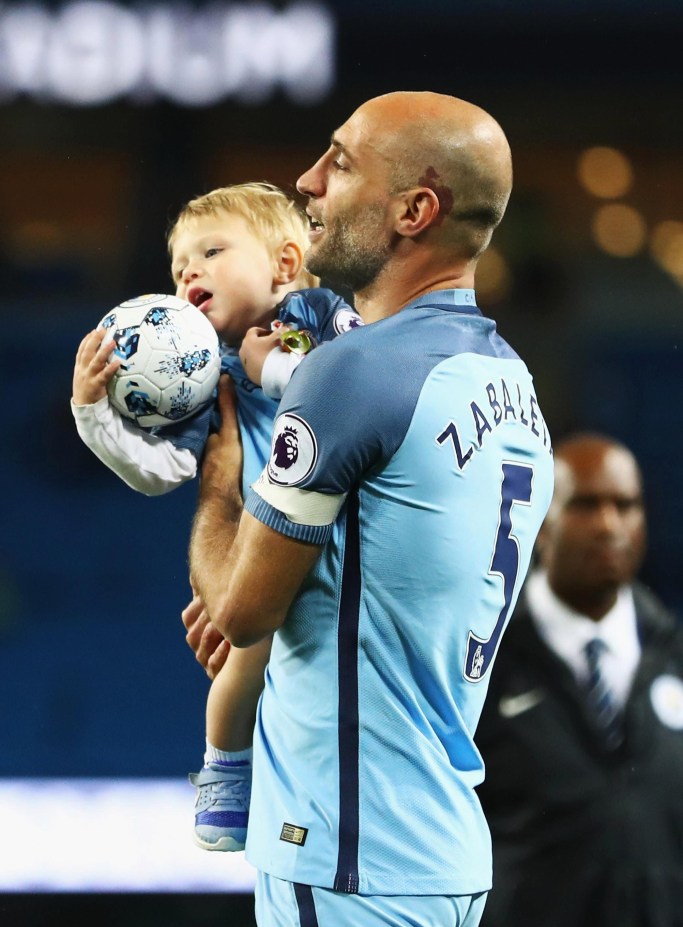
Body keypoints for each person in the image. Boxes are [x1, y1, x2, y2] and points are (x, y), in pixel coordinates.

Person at [183, 91, 555, 927]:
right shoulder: (512, 384)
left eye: (341, 162)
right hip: (442, 848)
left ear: (415, 211)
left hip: (346, 852)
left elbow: (239, 612)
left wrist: (218, 481)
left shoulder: (350, 374)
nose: (309, 181)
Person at [70, 182, 363, 852]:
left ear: (285, 264)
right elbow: (162, 472)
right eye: (178, 269)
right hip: (267, 547)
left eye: (210, 251)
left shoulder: (321, 314)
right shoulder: (206, 380)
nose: (188, 272)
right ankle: (225, 772)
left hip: (350, 529)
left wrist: (281, 366)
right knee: (240, 661)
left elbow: (357, 384)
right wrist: (92, 415)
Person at [475, 433, 683, 927]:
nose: (610, 525)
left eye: (626, 505)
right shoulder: (483, 661)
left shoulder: (675, 653)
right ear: (540, 524)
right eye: (586, 506)